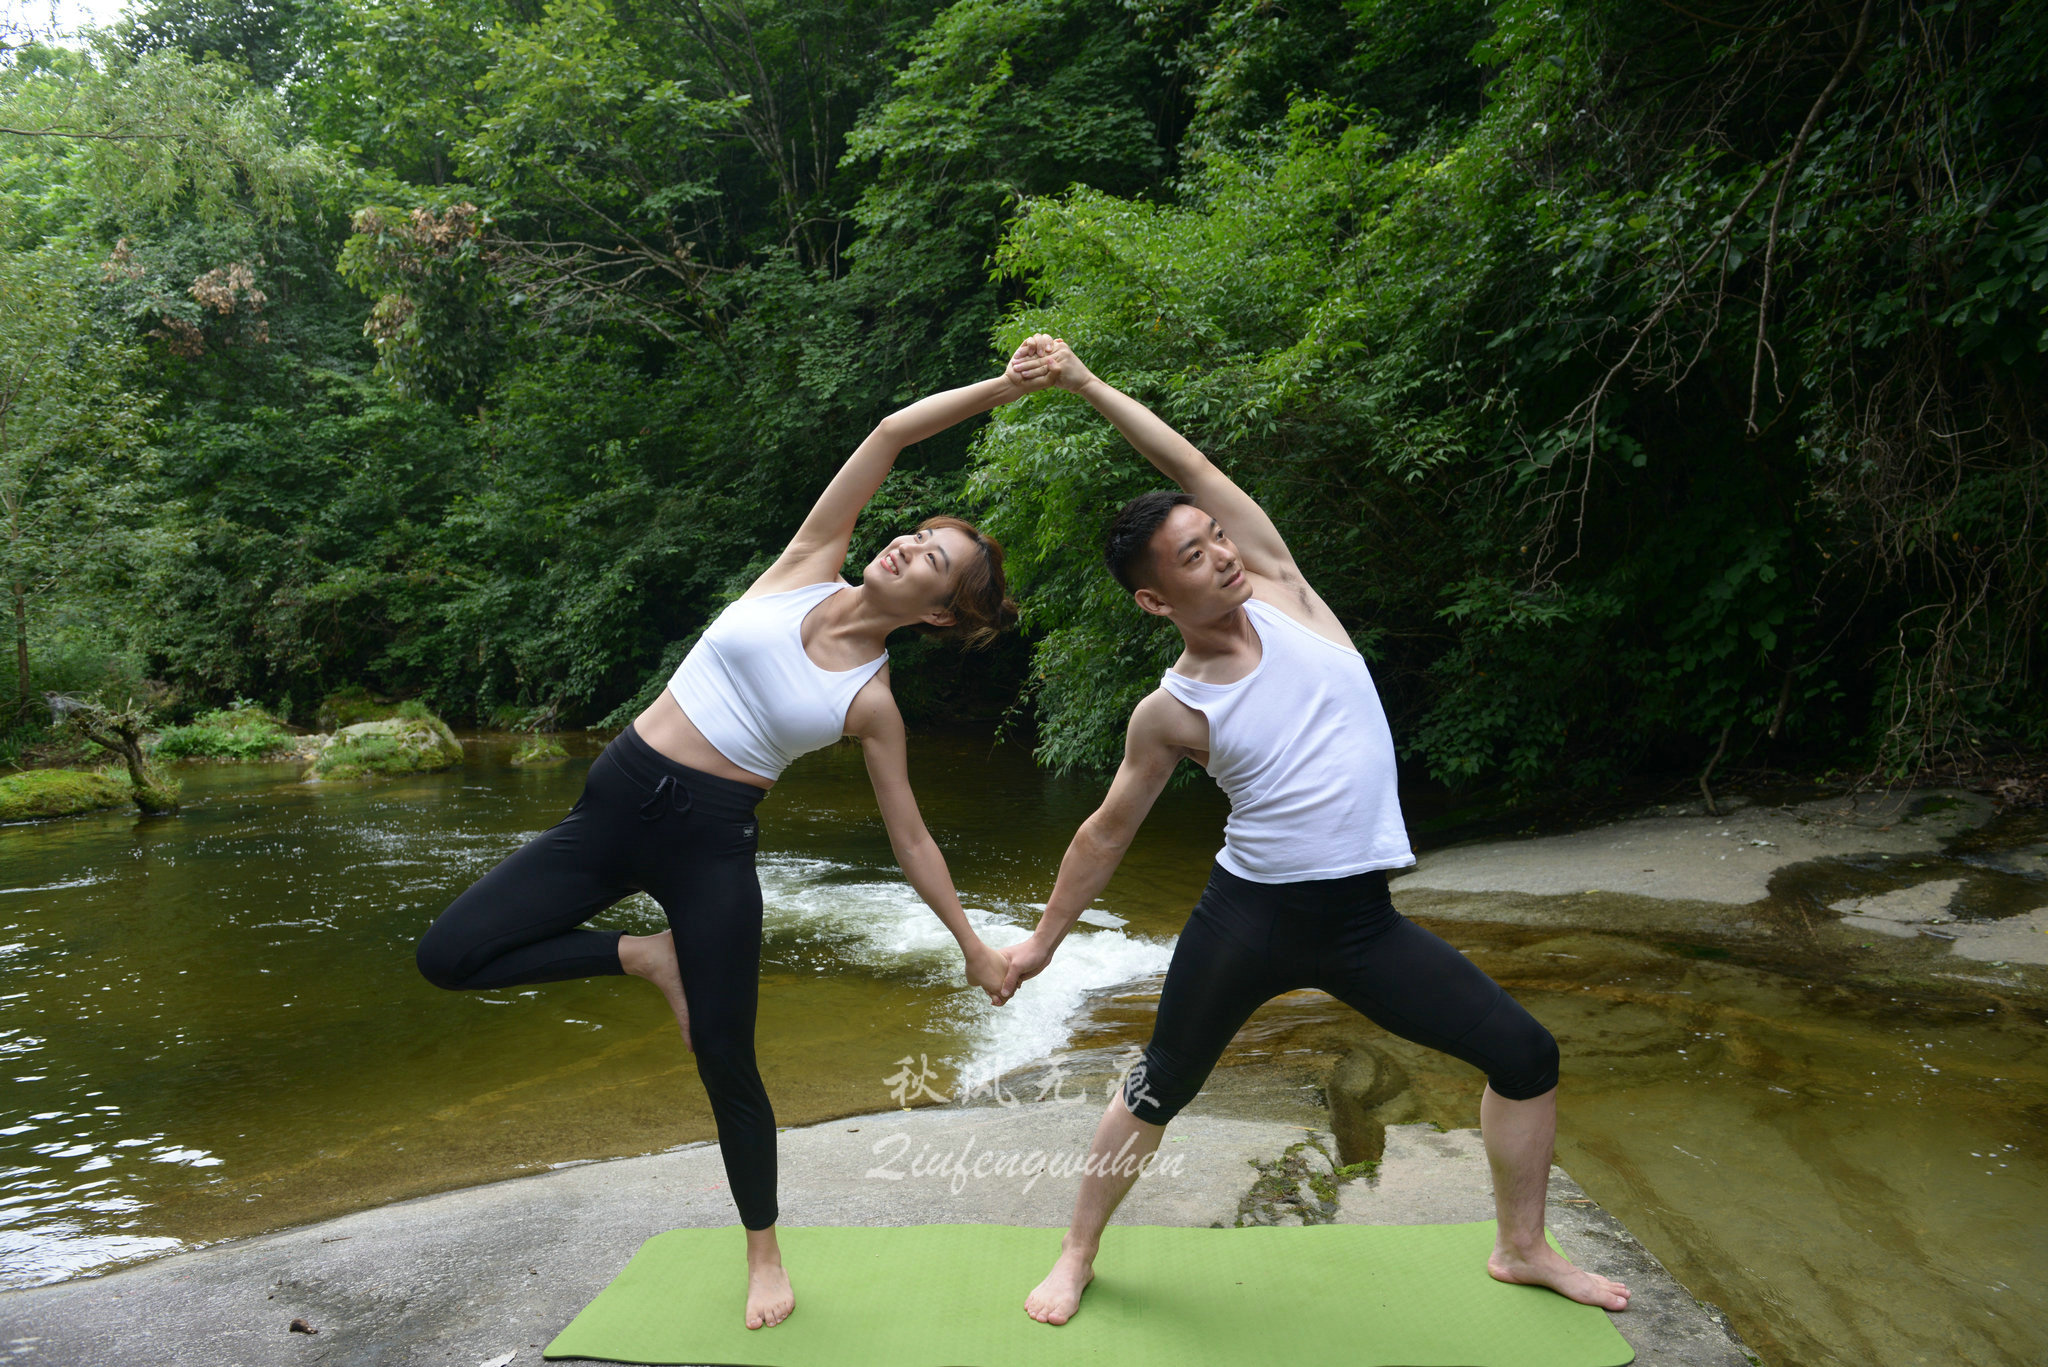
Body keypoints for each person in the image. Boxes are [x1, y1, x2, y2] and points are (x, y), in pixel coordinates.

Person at [416, 341, 1054, 1330]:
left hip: (710, 844)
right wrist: (1004, 389)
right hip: (612, 803)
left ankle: (762, 1248)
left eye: (933, 559)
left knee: (728, 1058)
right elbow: (888, 434)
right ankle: (642, 955)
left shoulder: (870, 701)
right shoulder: (803, 564)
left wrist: (972, 943)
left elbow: (913, 839)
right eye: (915, 533)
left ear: (936, 609)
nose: (905, 546)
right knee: (448, 956)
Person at [997, 340, 1632, 1324]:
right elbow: (1105, 829)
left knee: (1524, 1052)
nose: (1220, 554)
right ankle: (1076, 1250)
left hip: (1359, 924)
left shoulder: (1287, 591)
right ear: (1153, 599)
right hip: (1245, 918)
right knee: (1159, 1083)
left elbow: (1192, 469)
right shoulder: (1169, 710)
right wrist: (1040, 938)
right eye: (1193, 556)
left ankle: (1519, 1246)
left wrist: (1085, 384)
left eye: (1218, 539)